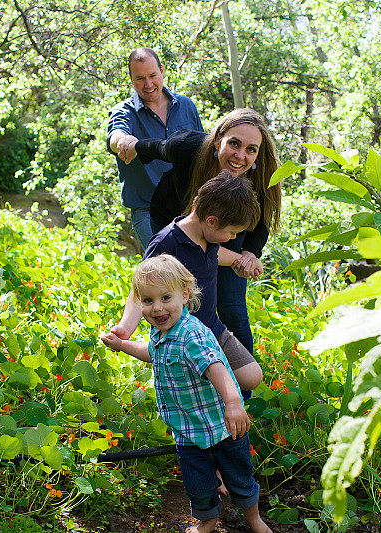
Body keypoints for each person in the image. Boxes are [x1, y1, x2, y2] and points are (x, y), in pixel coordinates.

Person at [101, 255, 272, 533]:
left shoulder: (192, 335)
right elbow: (151, 352)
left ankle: (254, 519)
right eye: (147, 301)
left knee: (240, 479)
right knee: (198, 484)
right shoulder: (161, 331)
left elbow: (217, 369)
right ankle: (208, 521)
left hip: (223, 428)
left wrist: (233, 404)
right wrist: (123, 344)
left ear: (185, 294)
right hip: (189, 433)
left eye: (165, 297)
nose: (157, 308)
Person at [118, 108, 282, 359]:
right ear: (218, 139)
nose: (241, 156)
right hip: (175, 222)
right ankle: (179, 364)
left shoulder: (261, 175)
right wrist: (134, 145)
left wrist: (249, 254)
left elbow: (261, 220)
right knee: (174, 296)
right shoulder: (188, 148)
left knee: (232, 307)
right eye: (234, 144)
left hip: (228, 228)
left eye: (251, 149)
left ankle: (239, 389)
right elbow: (159, 147)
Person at [109, 173, 264, 394]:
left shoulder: (209, 238)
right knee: (201, 386)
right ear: (211, 221)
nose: (232, 237)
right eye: (231, 232)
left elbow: (215, 254)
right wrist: (125, 329)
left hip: (211, 327)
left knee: (252, 376)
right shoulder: (166, 243)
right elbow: (141, 288)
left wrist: (239, 260)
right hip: (180, 335)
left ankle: (213, 385)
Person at [107, 47, 204, 249]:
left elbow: (202, 151)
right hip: (147, 210)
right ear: (131, 79)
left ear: (161, 70)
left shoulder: (186, 105)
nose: (148, 84)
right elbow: (115, 137)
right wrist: (125, 142)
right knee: (166, 267)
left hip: (189, 207)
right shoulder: (123, 112)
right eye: (140, 78)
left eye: (152, 75)